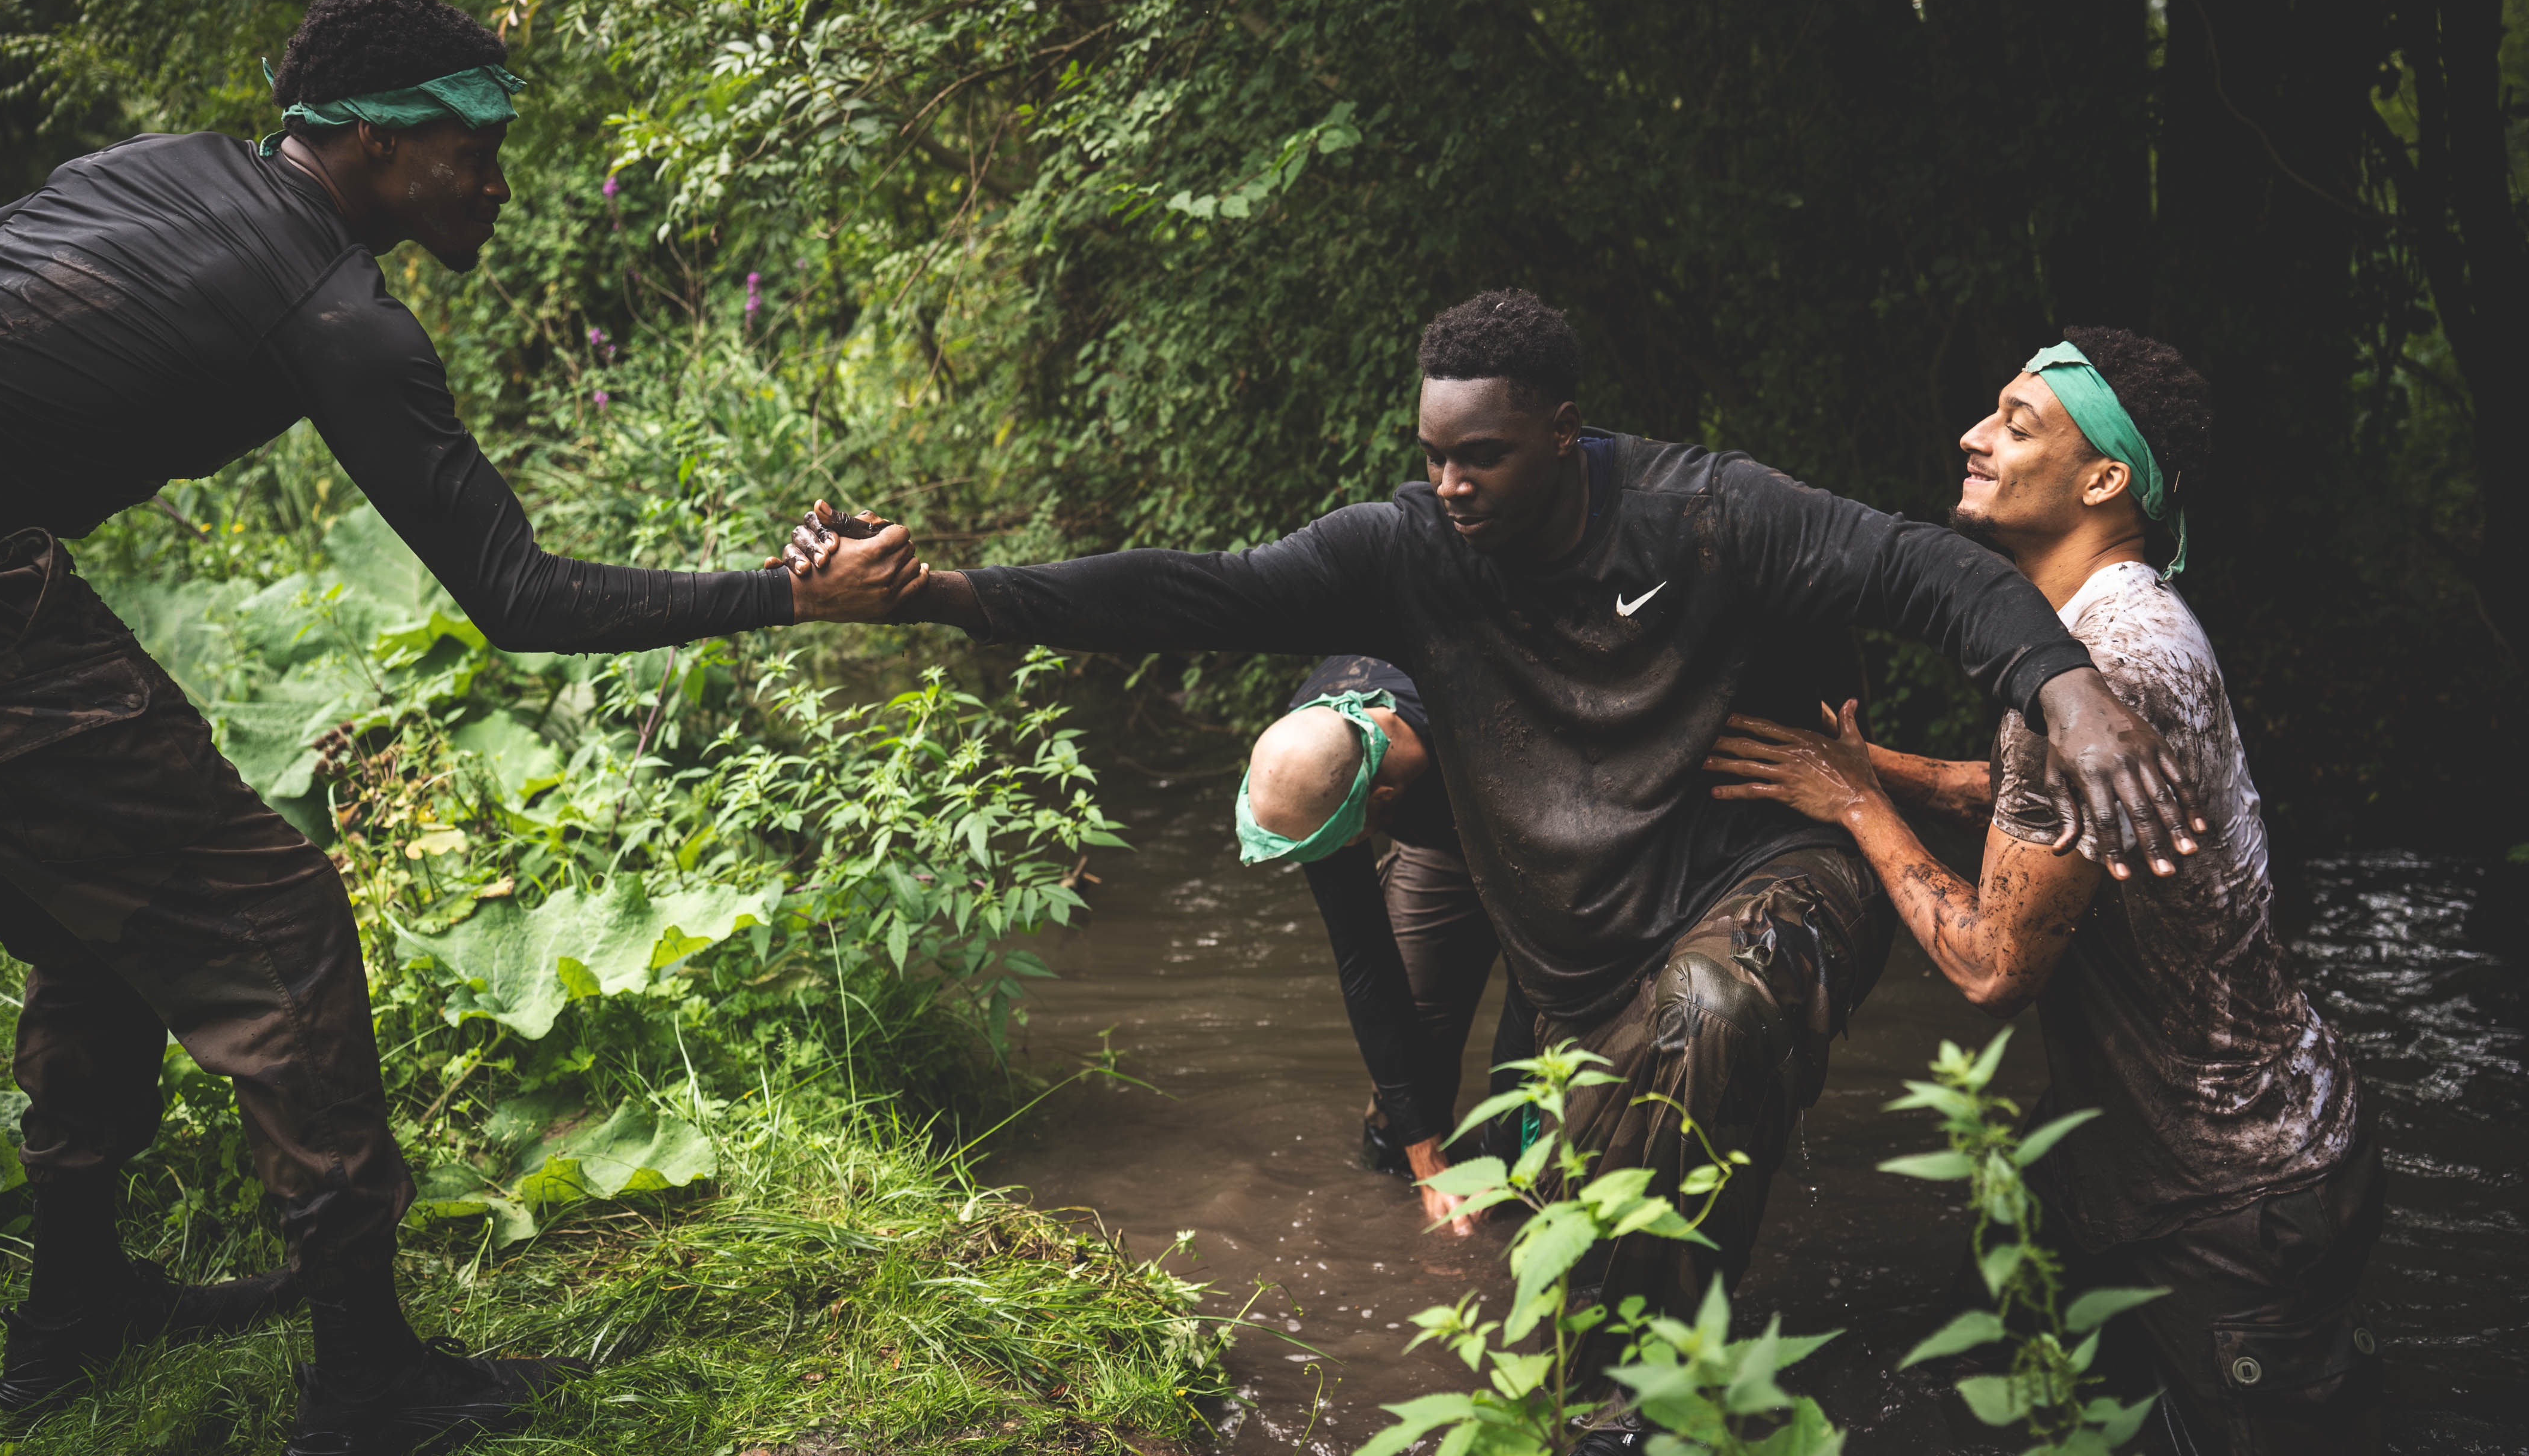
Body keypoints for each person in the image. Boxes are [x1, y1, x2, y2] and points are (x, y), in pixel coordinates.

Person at [782, 289, 2208, 1448]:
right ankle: (1643, 1376)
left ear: (1563, 435)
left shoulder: (1704, 510)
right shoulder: (1404, 551)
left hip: (1767, 854)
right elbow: (1187, 584)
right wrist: (939, 594)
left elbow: (1916, 566)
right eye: (1432, 455)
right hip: (1582, 928)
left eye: (1483, 456)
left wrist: (2062, 686)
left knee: (1718, 1011)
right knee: (1577, 1232)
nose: (1451, 483)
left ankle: (1637, 1418)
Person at [0, 0, 922, 1452]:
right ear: (365, 144)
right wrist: (790, 599)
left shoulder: (168, 169)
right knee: (277, 925)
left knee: (98, 919)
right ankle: (368, 1389)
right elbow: (516, 591)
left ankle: (76, 1309)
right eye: (471, 141)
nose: (498, 174)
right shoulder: (339, 313)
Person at [1704, 329, 2376, 1455]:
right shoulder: (2112, 622)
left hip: (2236, 1198)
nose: (1974, 436)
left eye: (2017, 425)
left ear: (2105, 479)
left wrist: (1854, 806)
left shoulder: (2100, 674)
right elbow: (2033, 808)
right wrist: (1879, 770)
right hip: (2207, 1160)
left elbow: (1990, 965)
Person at [1236, 654, 1516, 1237]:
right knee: (1402, 1098)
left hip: (1530, 823)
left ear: (1382, 801)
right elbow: (1364, 963)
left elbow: (1540, 981)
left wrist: (1503, 1150)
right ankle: (1406, 1210)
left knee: (1535, 1115)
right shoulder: (1312, 758)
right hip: (1437, 842)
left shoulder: (1488, 715)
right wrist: (1421, 1151)